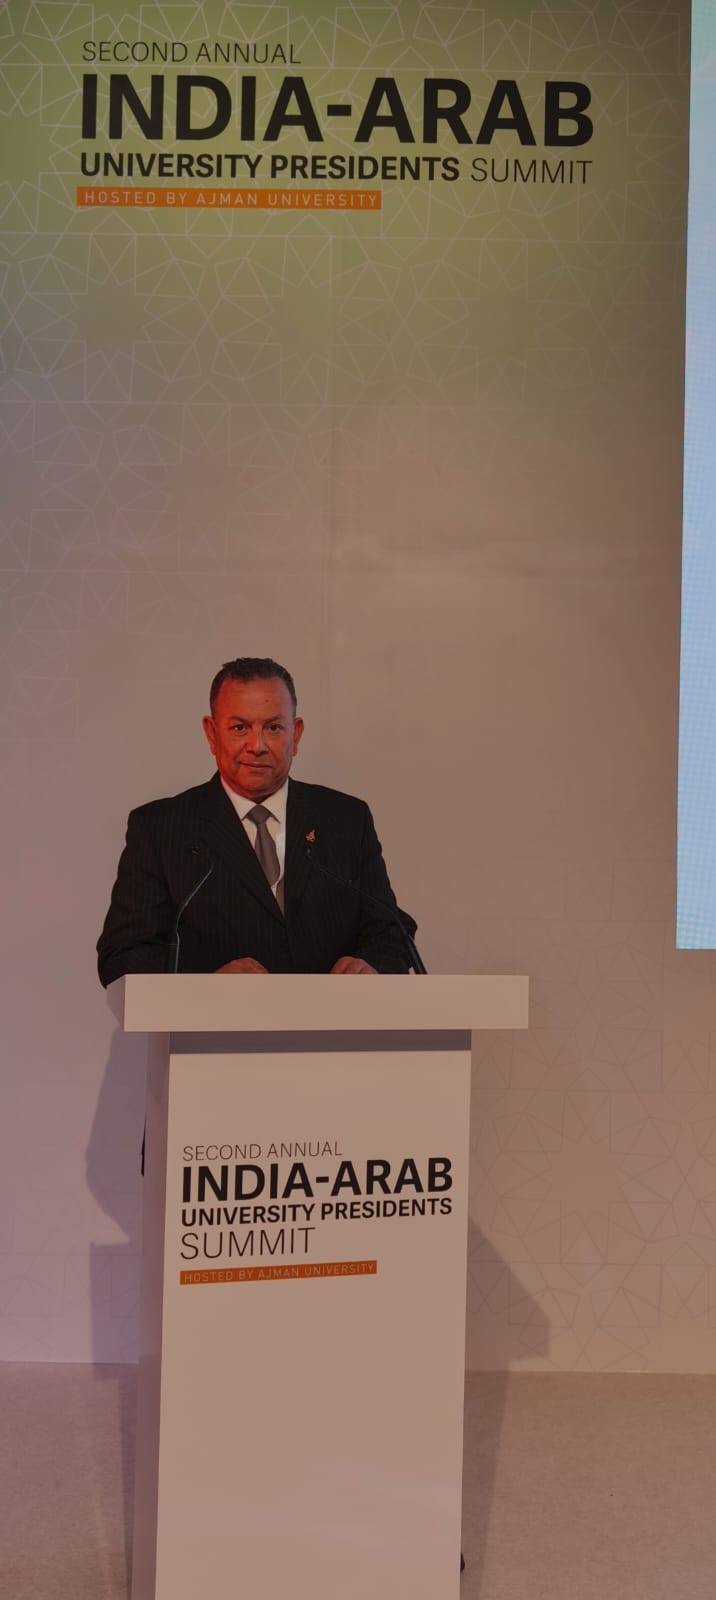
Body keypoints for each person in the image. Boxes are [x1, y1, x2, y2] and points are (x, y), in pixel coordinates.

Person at [97, 656, 416, 985]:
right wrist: (208, 981)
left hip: (332, 1018)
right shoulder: (161, 828)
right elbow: (122, 956)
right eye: (240, 728)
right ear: (211, 734)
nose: (257, 746)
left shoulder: (345, 819)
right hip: (214, 1019)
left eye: (274, 728)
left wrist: (371, 964)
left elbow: (391, 932)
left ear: (296, 734)